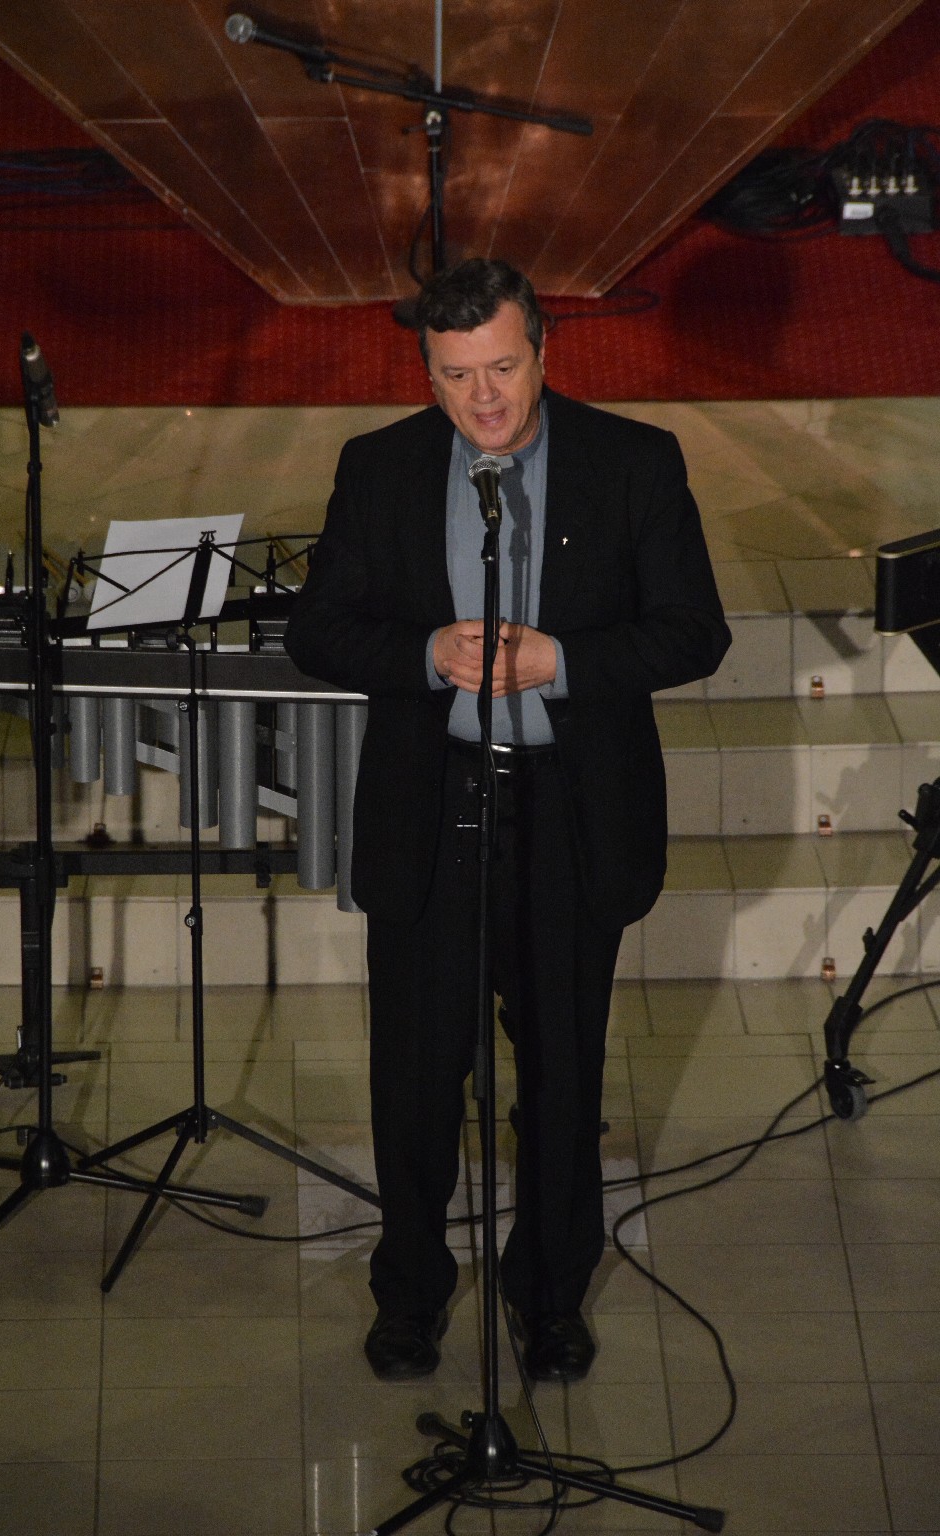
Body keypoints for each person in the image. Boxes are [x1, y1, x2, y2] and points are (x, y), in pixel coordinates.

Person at [285, 258, 730, 1384]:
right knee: (415, 1075)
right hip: (430, 806)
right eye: (456, 376)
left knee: (563, 1074)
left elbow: (695, 632)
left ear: (542, 351)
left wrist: (560, 661)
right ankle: (409, 1292)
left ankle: (550, 1295)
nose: (482, 398)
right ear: (426, 374)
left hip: (570, 811)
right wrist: (424, 652)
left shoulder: (634, 462)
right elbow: (317, 629)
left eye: (501, 368)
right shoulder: (378, 467)